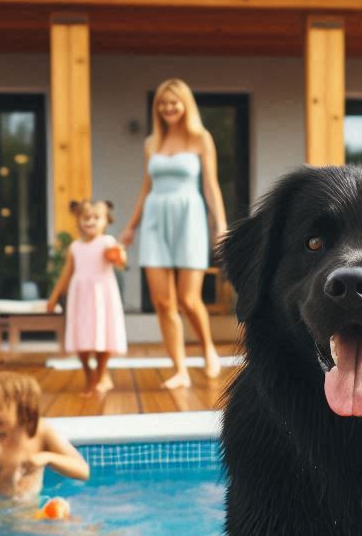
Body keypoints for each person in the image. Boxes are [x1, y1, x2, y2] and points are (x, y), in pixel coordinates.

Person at [119, 78, 228, 389]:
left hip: (189, 218)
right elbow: (146, 188)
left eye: (174, 103)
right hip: (155, 218)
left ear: (185, 105)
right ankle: (179, 368)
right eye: (163, 104)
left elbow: (210, 185)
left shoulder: (201, 138)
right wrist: (130, 227)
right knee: (163, 301)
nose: (168, 109)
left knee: (188, 298)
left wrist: (219, 223)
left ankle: (208, 348)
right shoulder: (152, 143)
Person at [0, 372, 90, 506]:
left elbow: (83, 471)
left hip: (28, 510)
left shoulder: (42, 432)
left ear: (22, 407)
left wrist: (48, 458)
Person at [46, 199, 128, 396]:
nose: (90, 221)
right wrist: (54, 296)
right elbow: (66, 273)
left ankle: (100, 375)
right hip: (80, 296)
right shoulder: (75, 247)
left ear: (105, 221)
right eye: (85, 218)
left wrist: (119, 255)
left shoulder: (107, 242)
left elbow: (120, 262)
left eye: (96, 217)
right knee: (82, 337)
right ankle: (89, 373)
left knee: (102, 335)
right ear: (78, 220)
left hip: (102, 295)